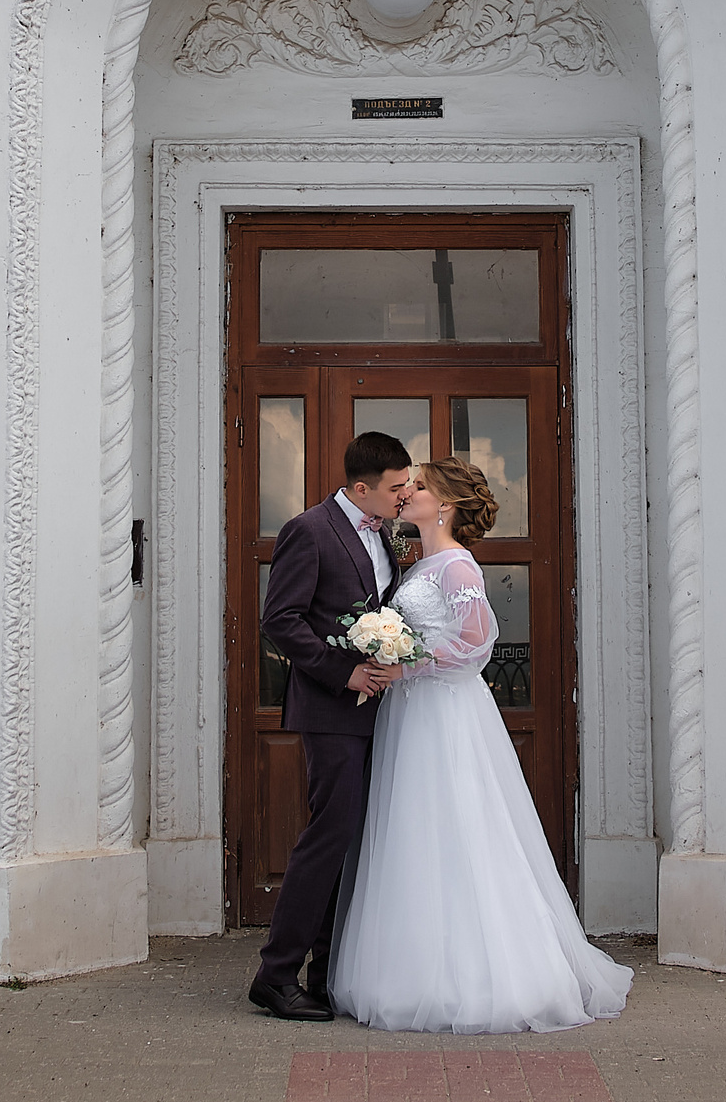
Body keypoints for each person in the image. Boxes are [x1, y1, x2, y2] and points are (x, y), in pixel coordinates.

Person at [328, 457, 632, 1033]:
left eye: (417, 486)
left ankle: (484, 973)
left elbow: (476, 647)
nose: (407, 492)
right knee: (414, 831)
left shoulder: (458, 569)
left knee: (458, 826)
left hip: (445, 714)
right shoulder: (420, 564)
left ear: (443, 504)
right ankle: (410, 969)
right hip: (413, 716)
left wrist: (405, 664)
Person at [247, 430, 414, 1022]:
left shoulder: (387, 533)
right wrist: (342, 673)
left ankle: (325, 975)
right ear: (361, 487)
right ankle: (274, 975)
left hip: (377, 715)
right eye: (396, 488)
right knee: (327, 838)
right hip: (330, 711)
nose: (405, 495)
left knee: (352, 842)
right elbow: (280, 620)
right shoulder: (309, 530)